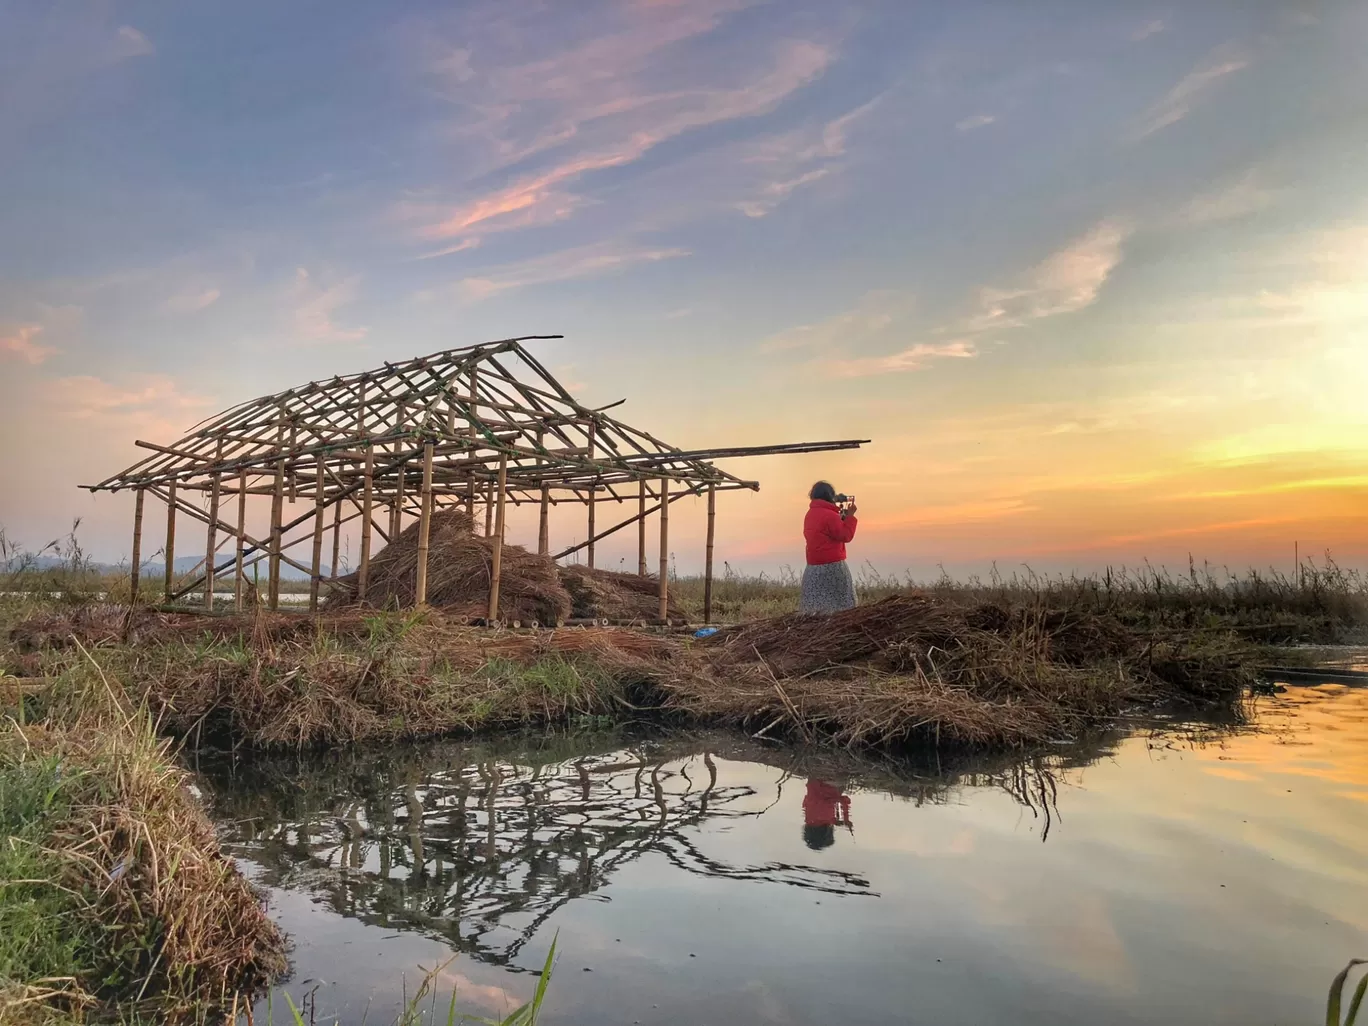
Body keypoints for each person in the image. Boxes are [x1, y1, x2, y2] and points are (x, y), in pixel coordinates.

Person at [800, 481, 858, 614]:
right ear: (830, 496)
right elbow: (846, 535)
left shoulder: (809, 515)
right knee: (842, 607)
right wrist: (850, 517)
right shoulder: (830, 516)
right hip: (832, 568)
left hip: (813, 569)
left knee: (815, 610)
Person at [802, 778, 853, 850]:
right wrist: (837, 821)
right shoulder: (809, 819)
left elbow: (844, 800)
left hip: (824, 781)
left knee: (844, 782)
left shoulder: (823, 819)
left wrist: (846, 819)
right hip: (812, 781)